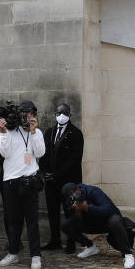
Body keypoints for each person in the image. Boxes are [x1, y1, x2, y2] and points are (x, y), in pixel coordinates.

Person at [0, 101, 46, 269]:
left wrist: (33, 132)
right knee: (13, 220)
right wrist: (3, 132)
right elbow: (4, 153)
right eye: (24, 114)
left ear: (34, 114)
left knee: (32, 220)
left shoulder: (36, 132)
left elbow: (40, 153)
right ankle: (13, 252)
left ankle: (36, 255)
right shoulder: (10, 131)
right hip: (10, 180)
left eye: (30, 113)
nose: (27, 117)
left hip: (29, 180)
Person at [60, 183, 135, 269]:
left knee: (115, 220)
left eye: (75, 194)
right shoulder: (69, 200)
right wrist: (77, 212)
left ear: (79, 189)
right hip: (90, 223)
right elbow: (75, 220)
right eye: (70, 196)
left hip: (106, 222)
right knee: (66, 225)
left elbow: (109, 210)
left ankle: (128, 254)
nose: (74, 197)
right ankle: (90, 247)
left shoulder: (93, 191)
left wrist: (88, 208)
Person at [40, 103, 84, 252]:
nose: (61, 115)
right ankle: (55, 240)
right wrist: (45, 172)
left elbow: (74, 159)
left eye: (65, 113)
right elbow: (43, 154)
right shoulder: (49, 132)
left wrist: (57, 174)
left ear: (70, 115)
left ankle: (71, 242)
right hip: (51, 181)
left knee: (69, 211)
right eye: (59, 113)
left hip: (68, 181)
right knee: (52, 211)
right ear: (55, 114)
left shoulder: (76, 133)